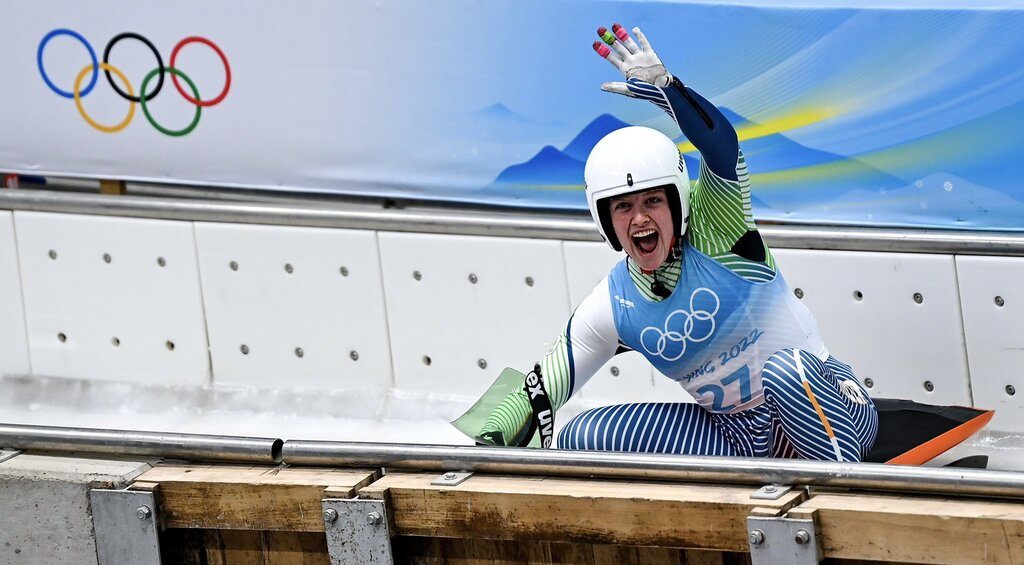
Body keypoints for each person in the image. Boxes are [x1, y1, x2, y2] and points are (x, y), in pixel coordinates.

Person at [476, 24, 878, 461]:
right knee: (581, 435)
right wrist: (474, 457)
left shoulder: (719, 224)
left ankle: (843, 490)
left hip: (829, 403)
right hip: (738, 438)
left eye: (653, 200)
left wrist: (669, 91)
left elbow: (722, 146)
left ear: (679, 202)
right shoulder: (613, 304)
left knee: (784, 371)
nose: (641, 218)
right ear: (606, 221)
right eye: (623, 208)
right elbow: (539, 392)